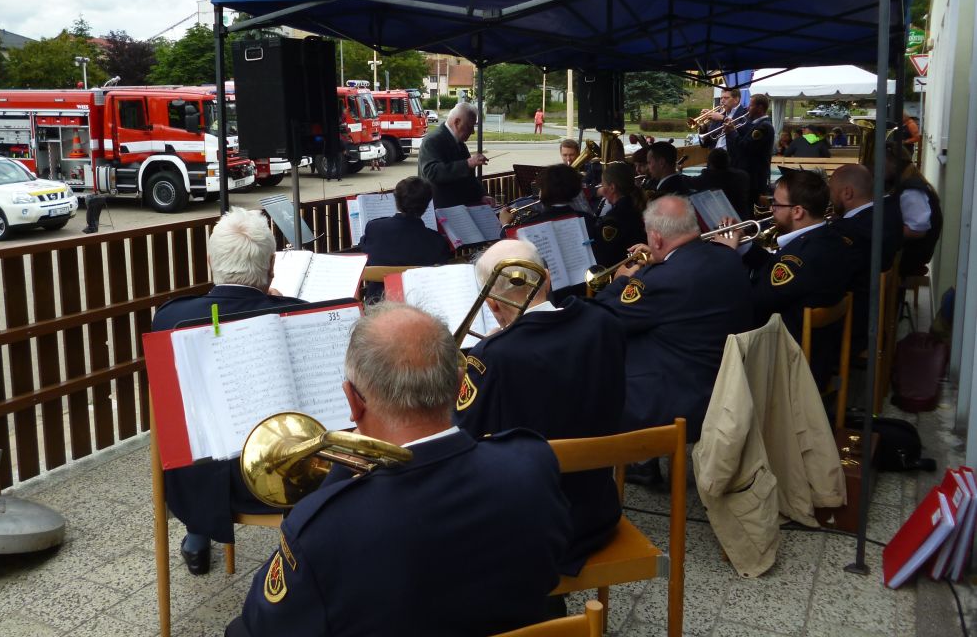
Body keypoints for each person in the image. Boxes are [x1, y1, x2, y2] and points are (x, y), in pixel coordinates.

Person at [230, 303, 572, 637]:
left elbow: (265, 623)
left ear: (353, 401)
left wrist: (336, 482)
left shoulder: (321, 530)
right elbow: (551, 565)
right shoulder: (531, 462)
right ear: (457, 385)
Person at [456, 240, 626, 573]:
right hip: (598, 513)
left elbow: (464, 437)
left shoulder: (493, 356)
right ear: (547, 279)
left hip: (526, 529)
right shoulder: (604, 323)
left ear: (492, 305)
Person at [152, 207, 303, 576]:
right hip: (283, 482)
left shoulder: (169, 320)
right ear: (271, 267)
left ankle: (198, 536)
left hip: (196, 484)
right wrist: (275, 303)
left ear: (209, 262)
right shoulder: (297, 314)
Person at [595, 196, 752, 448]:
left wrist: (621, 280)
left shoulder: (662, 281)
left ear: (656, 238)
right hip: (725, 387)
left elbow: (601, 316)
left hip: (682, 401)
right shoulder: (729, 257)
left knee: (593, 376)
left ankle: (635, 459)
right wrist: (657, 263)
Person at [714, 170, 856, 388]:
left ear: (797, 211)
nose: (771, 209)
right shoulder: (830, 240)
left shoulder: (798, 258)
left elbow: (752, 303)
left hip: (787, 362)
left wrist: (727, 257)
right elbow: (775, 270)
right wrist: (744, 246)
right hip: (817, 353)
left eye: (777, 205)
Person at [828, 164, 904, 355]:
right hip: (871, 312)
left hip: (852, 327)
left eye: (832, 191)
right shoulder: (886, 213)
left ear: (847, 193)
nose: (830, 197)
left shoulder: (849, 230)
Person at [500, 164, 598, 300]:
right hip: (585, 289)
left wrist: (505, 225)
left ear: (543, 191)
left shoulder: (528, 225)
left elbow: (509, 249)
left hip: (548, 294)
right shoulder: (587, 218)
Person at [356, 176, 453, 300]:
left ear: (396, 200)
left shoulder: (374, 228)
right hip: (420, 304)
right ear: (427, 205)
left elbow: (365, 252)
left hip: (378, 303)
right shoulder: (437, 241)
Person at [418, 101, 492, 208]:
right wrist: (468, 163)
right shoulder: (432, 140)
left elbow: (470, 179)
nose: (473, 132)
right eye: (470, 126)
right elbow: (431, 172)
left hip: (461, 210)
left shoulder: (460, 144)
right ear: (457, 122)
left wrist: (482, 195)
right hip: (441, 212)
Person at [884, 142, 942, 277]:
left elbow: (917, 230)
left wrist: (880, 231)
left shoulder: (911, 190)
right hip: (907, 252)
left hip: (909, 257)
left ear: (893, 163)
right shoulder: (907, 183)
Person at [726, 93, 774, 211]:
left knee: (748, 208)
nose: (747, 108)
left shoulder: (764, 127)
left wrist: (732, 131)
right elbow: (742, 135)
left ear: (760, 108)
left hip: (754, 179)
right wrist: (731, 126)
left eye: (751, 106)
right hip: (747, 175)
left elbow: (745, 146)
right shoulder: (754, 124)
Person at [594, 161, 648, 267]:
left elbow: (605, 257)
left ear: (612, 188)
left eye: (603, 185)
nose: (602, 189)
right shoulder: (637, 204)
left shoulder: (612, 219)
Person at [690, 147, 751, 220]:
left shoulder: (707, 177)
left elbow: (688, 182)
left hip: (720, 222)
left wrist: (679, 171)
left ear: (710, 163)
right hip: (743, 219)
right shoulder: (743, 175)